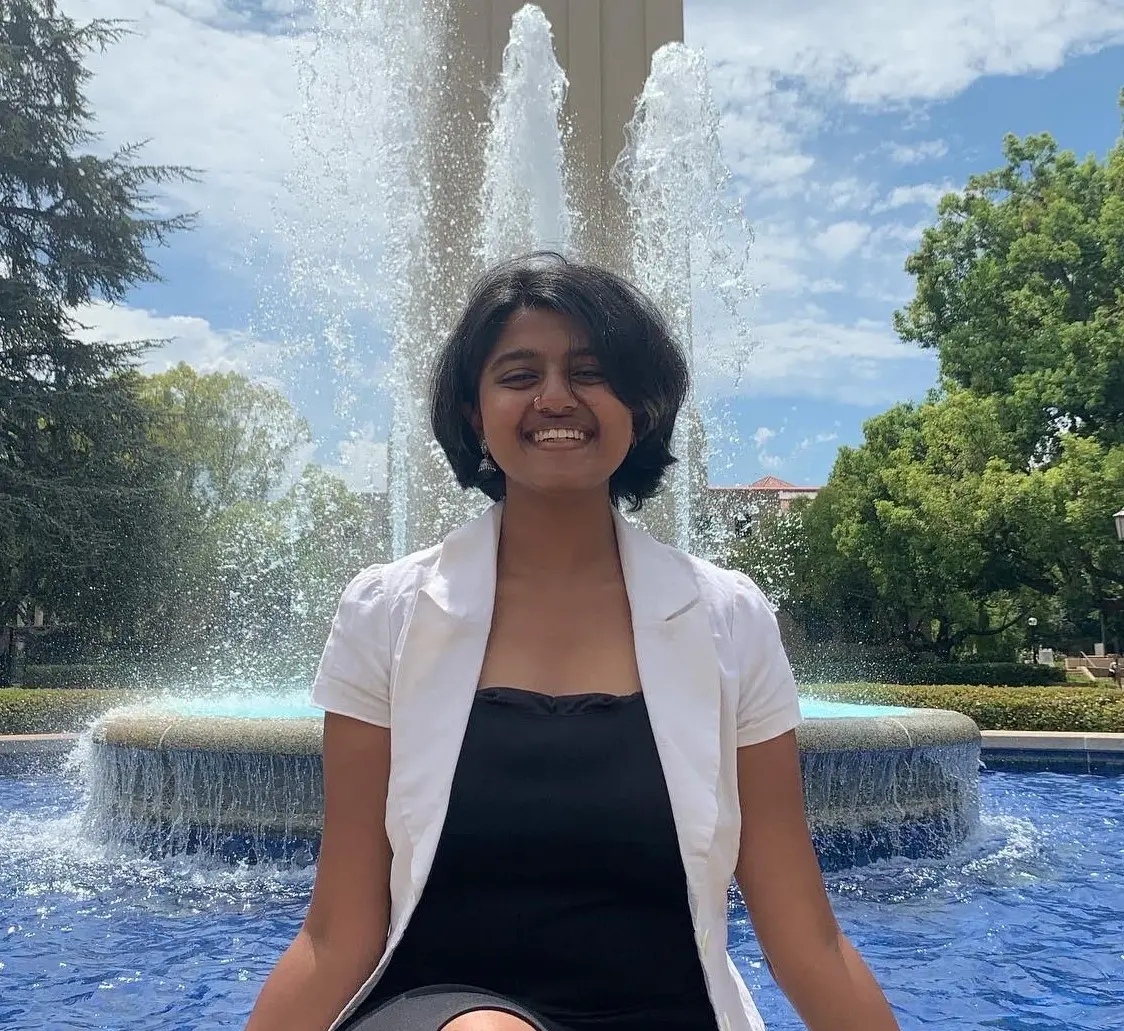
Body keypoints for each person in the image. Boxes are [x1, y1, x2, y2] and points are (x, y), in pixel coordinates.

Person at [245, 253, 900, 1031]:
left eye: (591, 371)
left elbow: (807, 939)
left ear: (642, 406)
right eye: (519, 373)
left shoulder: (728, 618)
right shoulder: (386, 613)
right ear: (471, 411)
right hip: (443, 1013)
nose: (556, 396)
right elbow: (336, 932)